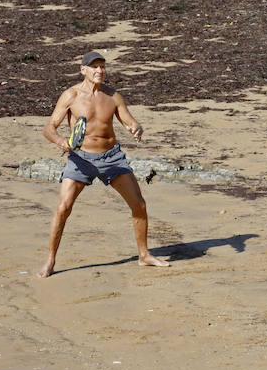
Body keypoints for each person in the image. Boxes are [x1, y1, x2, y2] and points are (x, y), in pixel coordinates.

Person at [37, 50, 171, 278]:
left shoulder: (113, 96)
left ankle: (144, 255)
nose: (100, 71)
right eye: (94, 67)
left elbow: (130, 121)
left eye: (102, 66)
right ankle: (50, 260)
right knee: (63, 209)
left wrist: (137, 128)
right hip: (80, 158)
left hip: (111, 157)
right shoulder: (71, 96)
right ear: (83, 70)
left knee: (139, 205)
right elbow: (49, 128)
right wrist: (60, 141)